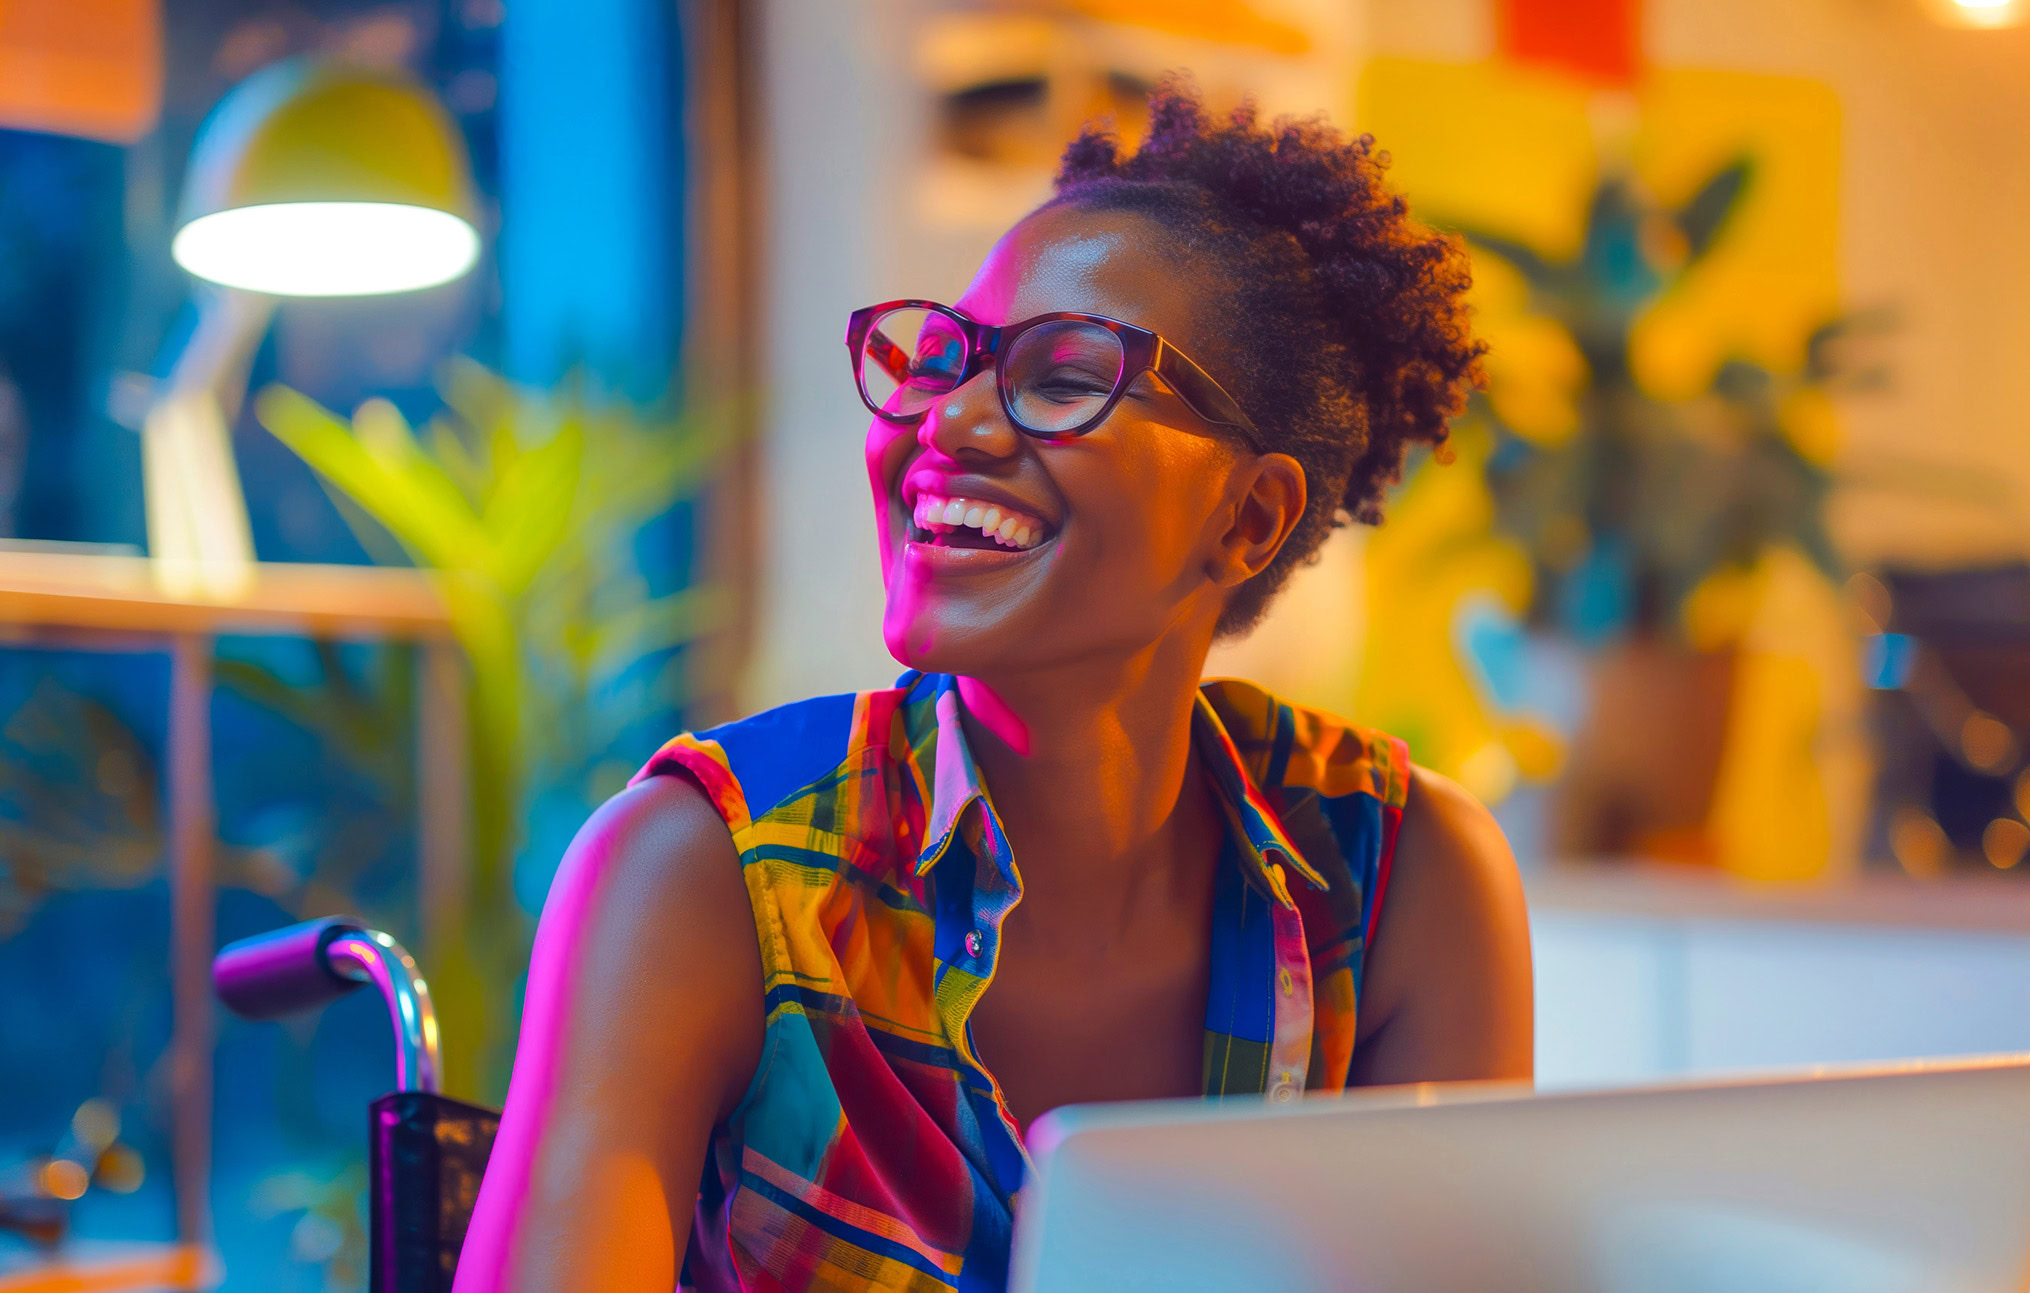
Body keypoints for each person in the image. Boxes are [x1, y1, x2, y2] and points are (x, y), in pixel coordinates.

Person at [455, 80, 1531, 1293]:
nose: (950, 421)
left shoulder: (1401, 875)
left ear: (1250, 516)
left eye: (1065, 378)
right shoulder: (703, 870)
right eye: (947, 358)